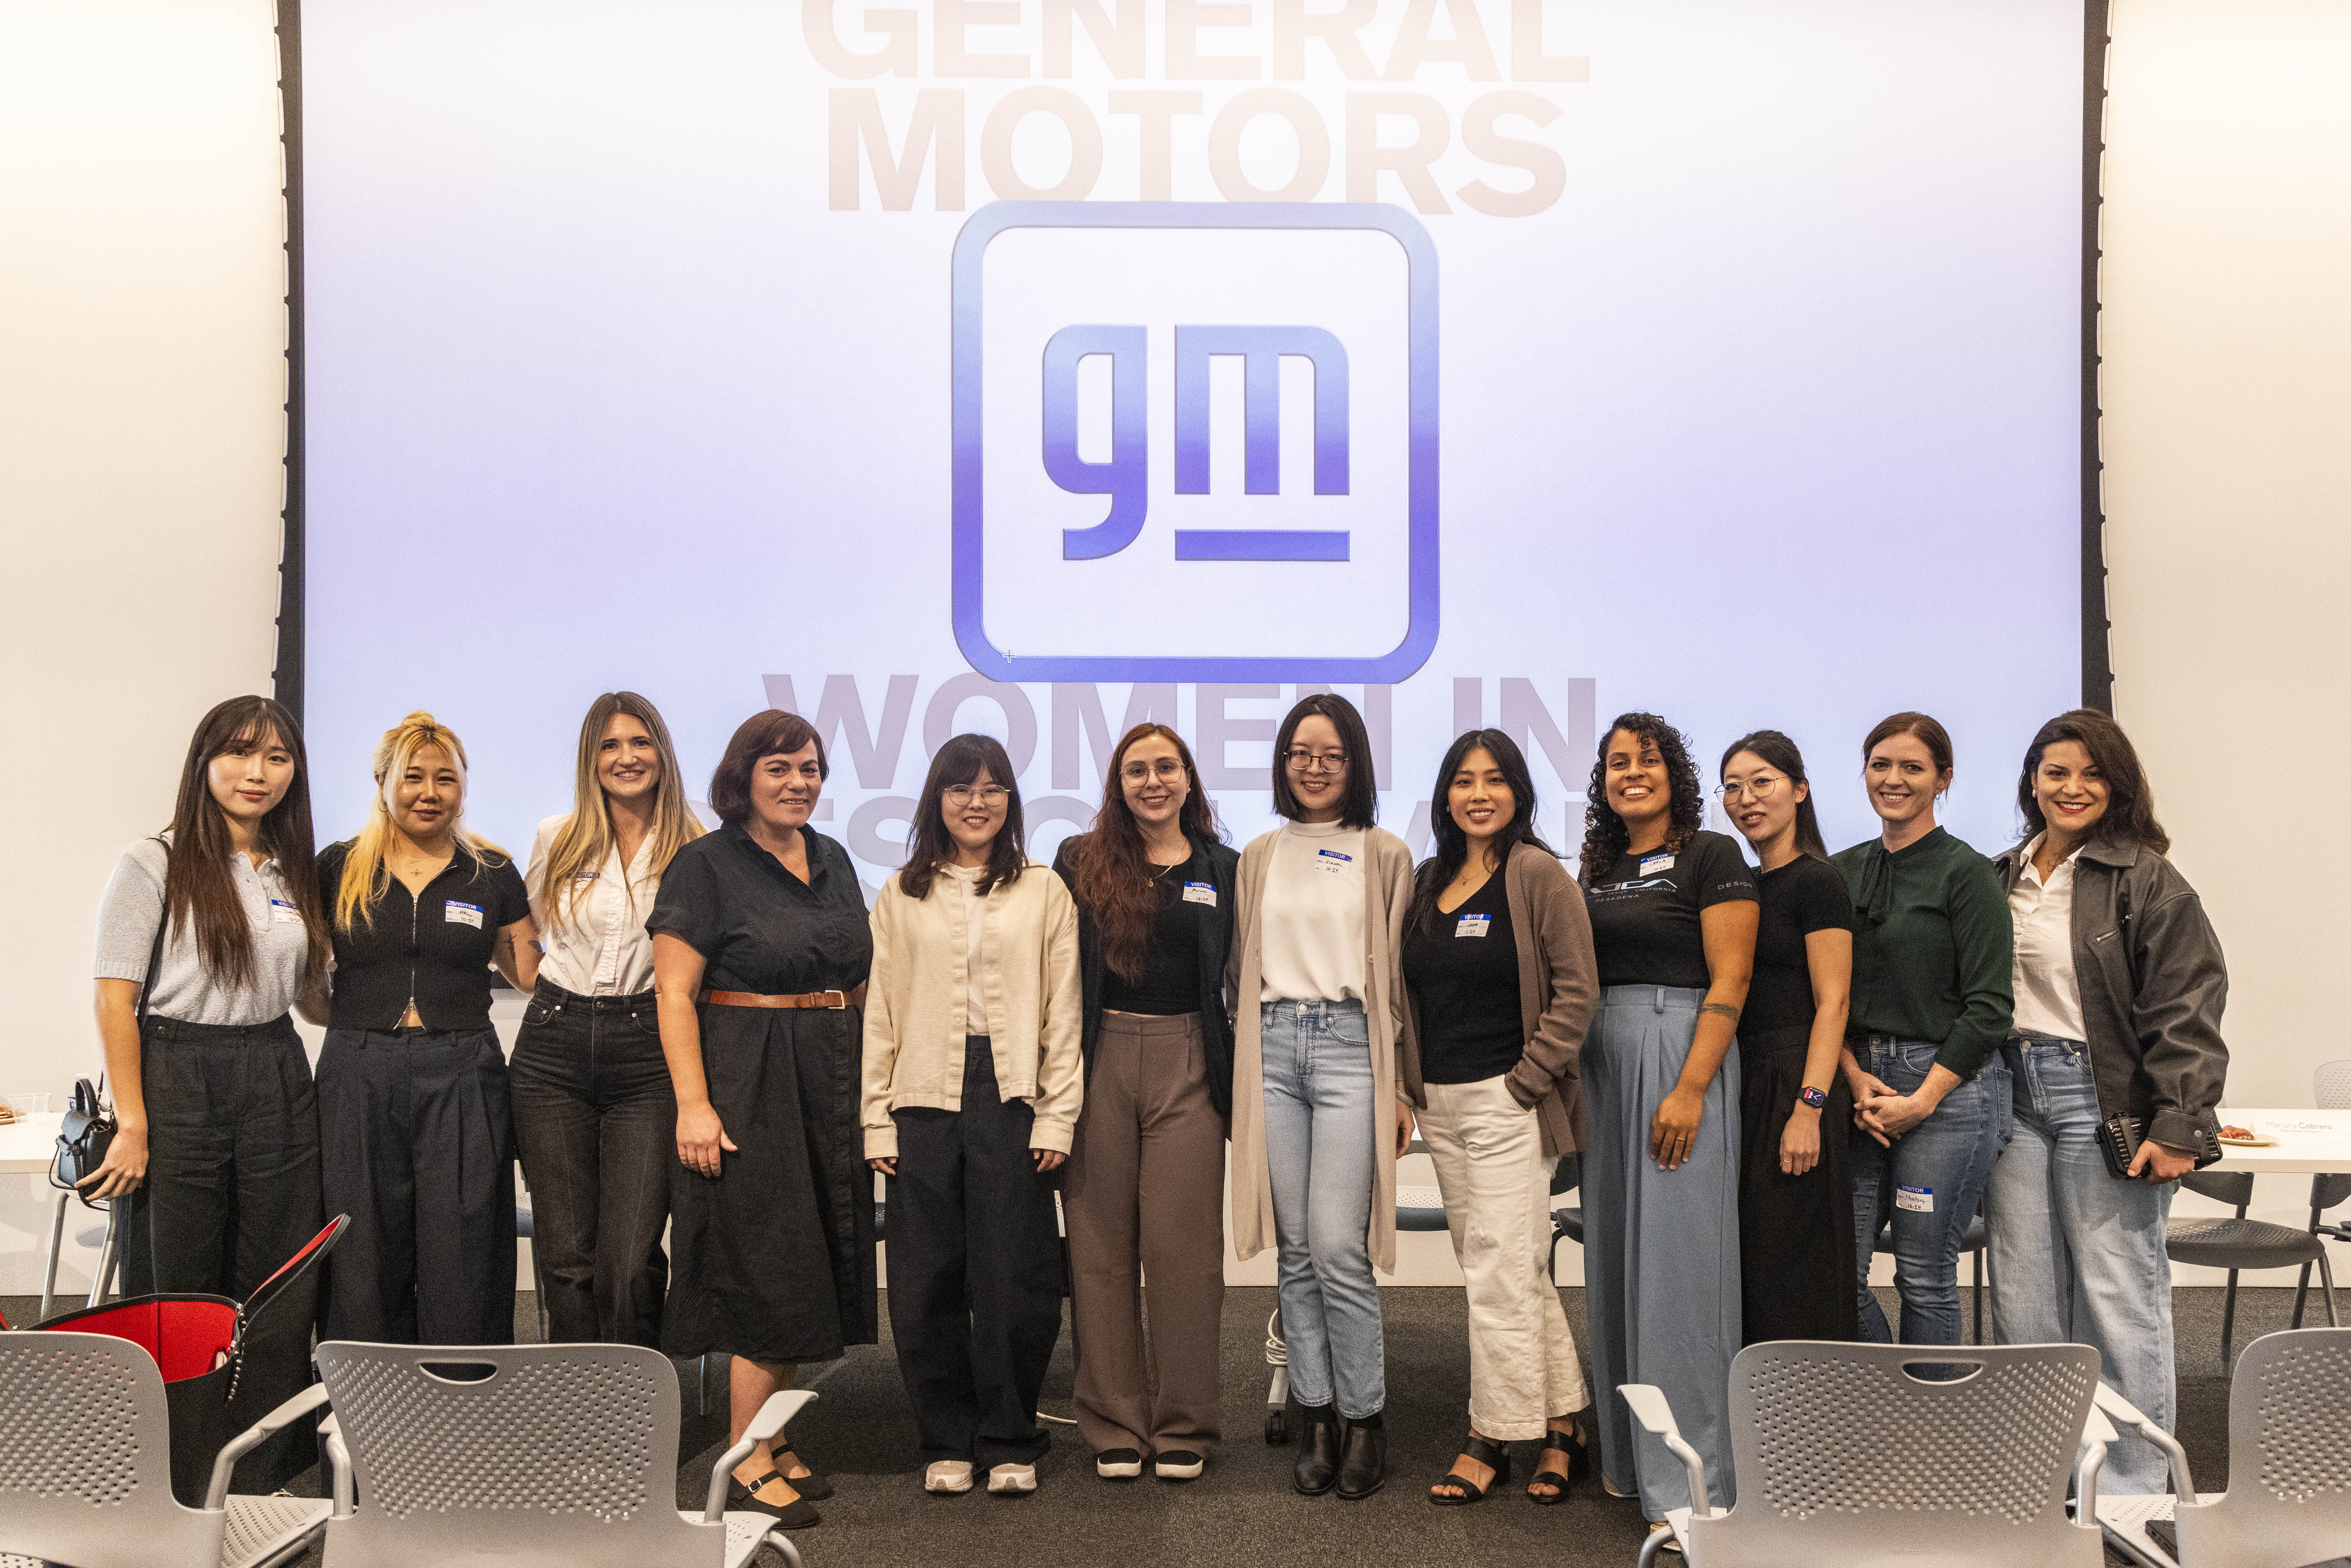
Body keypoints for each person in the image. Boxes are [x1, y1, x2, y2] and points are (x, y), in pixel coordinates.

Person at [88, 695, 330, 1490]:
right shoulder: (152, 861)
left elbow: (307, 998)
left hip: (274, 1070)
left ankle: (262, 1467)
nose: (257, 773)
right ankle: (177, 1466)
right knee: (182, 1279)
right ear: (204, 763)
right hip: (178, 1070)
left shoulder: (293, 868)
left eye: (276, 758)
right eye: (238, 753)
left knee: (278, 1275)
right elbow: (115, 998)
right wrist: (133, 1123)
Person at [1985, 709, 2226, 1494]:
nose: (2073, 787)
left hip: (2104, 1099)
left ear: (2117, 785)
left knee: (2119, 1296)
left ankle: (2129, 1489)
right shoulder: (2000, 873)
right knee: (2026, 1301)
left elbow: (2186, 1003)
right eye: (2057, 772)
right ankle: (2046, 1478)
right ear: (2032, 781)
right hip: (2011, 1098)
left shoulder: (2147, 877)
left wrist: (2179, 1120)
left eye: (2092, 774)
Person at [648, 709, 875, 1532]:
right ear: (742, 777)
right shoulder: (705, 865)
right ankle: (742, 1456)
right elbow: (674, 993)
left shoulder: (833, 856)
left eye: (810, 768)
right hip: (747, 1078)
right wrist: (695, 1104)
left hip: (828, 1075)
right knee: (768, 1266)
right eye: (779, 768)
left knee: (810, 1260)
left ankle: (775, 1442)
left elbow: (855, 969)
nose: (798, 782)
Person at [864, 734, 1082, 1499]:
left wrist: (1057, 1117)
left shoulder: (1044, 889)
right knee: (926, 1279)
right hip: (923, 1094)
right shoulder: (901, 893)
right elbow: (881, 1015)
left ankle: (1012, 1434)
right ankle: (947, 1436)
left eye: (993, 788)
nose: (977, 801)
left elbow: (1065, 1011)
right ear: (938, 800)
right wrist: (875, 1121)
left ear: (1011, 801)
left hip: (1012, 1093)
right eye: (961, 788)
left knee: (1015, 1277)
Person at [1400, 731, 1599, 1507]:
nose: (1478, 793)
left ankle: (1490, 1435)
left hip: (1509, 1100)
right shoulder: (1427, 879)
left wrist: (1527, 1079)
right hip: (1440, 1104)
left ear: (1518, 790)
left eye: (1494, 779)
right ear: (1446, 795)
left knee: (1495, 1274)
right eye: (1463, 780)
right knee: (1515, 1269)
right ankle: (1563, 1425)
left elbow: (1578, 989)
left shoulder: (1537, 872)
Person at [1228, 693, 1415, 1503]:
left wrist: (1401, 1082)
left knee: (1341, 1246)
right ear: (1282, 761)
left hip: (1349, 1051)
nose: (1313, 766)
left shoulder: (1384, 852)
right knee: (1297, 1248)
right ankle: (1315, 1414)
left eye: (1331, 754)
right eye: (1301, 752)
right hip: (1270, 1049)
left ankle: (1366, 1418)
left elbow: (1400, 981)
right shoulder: (1259, 853)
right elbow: (1241, 967)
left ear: (1356, 764)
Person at [1577, 712, 1756, 1543]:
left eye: (1646, 759)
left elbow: (1734, 974)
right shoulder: (1601, 866)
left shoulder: (1711, 855)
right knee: (1613, 1260)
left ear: (1674, 772)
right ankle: (1630, 1458)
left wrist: (1690, 1086)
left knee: (1681, 1271)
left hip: (1678, 1054)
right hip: (1604, 1062)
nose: (1630, 773)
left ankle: (1694, 1478)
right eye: (1617, 762)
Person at [1051, 724, 1238, 1484]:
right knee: (1097, 1249)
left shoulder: (1225, 866)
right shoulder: (1077, 859)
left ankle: (1185, 1422)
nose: (1152, 780)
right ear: (1117, 782)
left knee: (1183, 1251)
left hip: (1190, 1059)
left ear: (1190, 779)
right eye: (1137, 769)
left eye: (1167, 767)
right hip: (1098, 1061)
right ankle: (1114, 1423)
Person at [316, 711, 536, 1345]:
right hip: (357, 1069)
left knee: (465, 1241)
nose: (430, 792)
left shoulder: (491, 871)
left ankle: (462, 1406)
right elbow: (305, 974)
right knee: (360, 1241)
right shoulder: (338, 866)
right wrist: (353, 1028)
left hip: (464, 1067)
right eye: (413, 777)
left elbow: (527, 971)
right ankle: (366, 1415)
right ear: (383, 782)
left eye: (447, 779)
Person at [513, 692, 704, 1346]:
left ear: (663, 752)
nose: (627, 757)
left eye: (641, 742)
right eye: (611, 745)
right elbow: (529, 941)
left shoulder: (697, 847)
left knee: (628, 1258)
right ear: (591, 758)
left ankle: (635, 1417)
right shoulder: (555, 836)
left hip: (650, 1052)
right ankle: (577, 1414)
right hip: (552, 1052)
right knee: (568, 1260)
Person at [1834, 712, 2014, 1349]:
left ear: (1943, 780)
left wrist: (1922, 1100)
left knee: (1924, 1274)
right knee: (1837, 1275)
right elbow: (1825, 997)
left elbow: (1990, 1008)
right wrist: (1855, 1079)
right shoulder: (1841, 870)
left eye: (1913, 767)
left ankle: (1930, 1439)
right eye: (1881, 764)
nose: (1894, 779)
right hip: (1860, 1087)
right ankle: (1890, 1408)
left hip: (1947, 1092)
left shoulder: (1967, 873)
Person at [1718, 731, 1857, 1343]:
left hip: (1797, 1079)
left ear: (1800, 790)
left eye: (1762, 782)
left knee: (1796, 1264)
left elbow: (1834, 1002)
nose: (1746, 798)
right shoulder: (1744, 882)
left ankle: (1815, 1425)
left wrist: (1810, 1108)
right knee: (1752, 1257)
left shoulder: (1818, 881)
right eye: (1732, 786)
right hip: (1745, 1078)